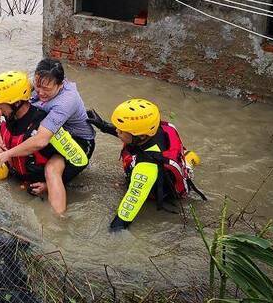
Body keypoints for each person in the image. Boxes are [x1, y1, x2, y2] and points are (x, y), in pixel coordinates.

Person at [87, 98, 205, 231]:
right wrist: (103, 125)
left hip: (163, 191)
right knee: (190, 157)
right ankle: (191, 158)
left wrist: (113, 231)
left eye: (121, 130)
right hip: (177, 166)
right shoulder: (157, 128)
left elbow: (129, 208)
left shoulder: (146, 167)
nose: (117, 132)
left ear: (141, 136)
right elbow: (130, 134)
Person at [0, 58, 96, 214]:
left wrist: (9, 153)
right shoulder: (40, 82)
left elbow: (41, 140)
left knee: (51, 169)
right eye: (38, 86)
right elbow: (2, 102)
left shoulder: (65, 102)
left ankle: (57, 221)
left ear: (60, 85)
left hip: (78, 142)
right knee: (4, 149)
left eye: (47, 89)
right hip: (54, 133)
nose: (40, 92)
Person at [0, 70, 50, 184]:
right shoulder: (10, 112)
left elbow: (60, 161)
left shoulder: (42, 124)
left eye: (1, 103)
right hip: (11, 166)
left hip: (32, 179)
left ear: (16, 103)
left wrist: (46, 185)